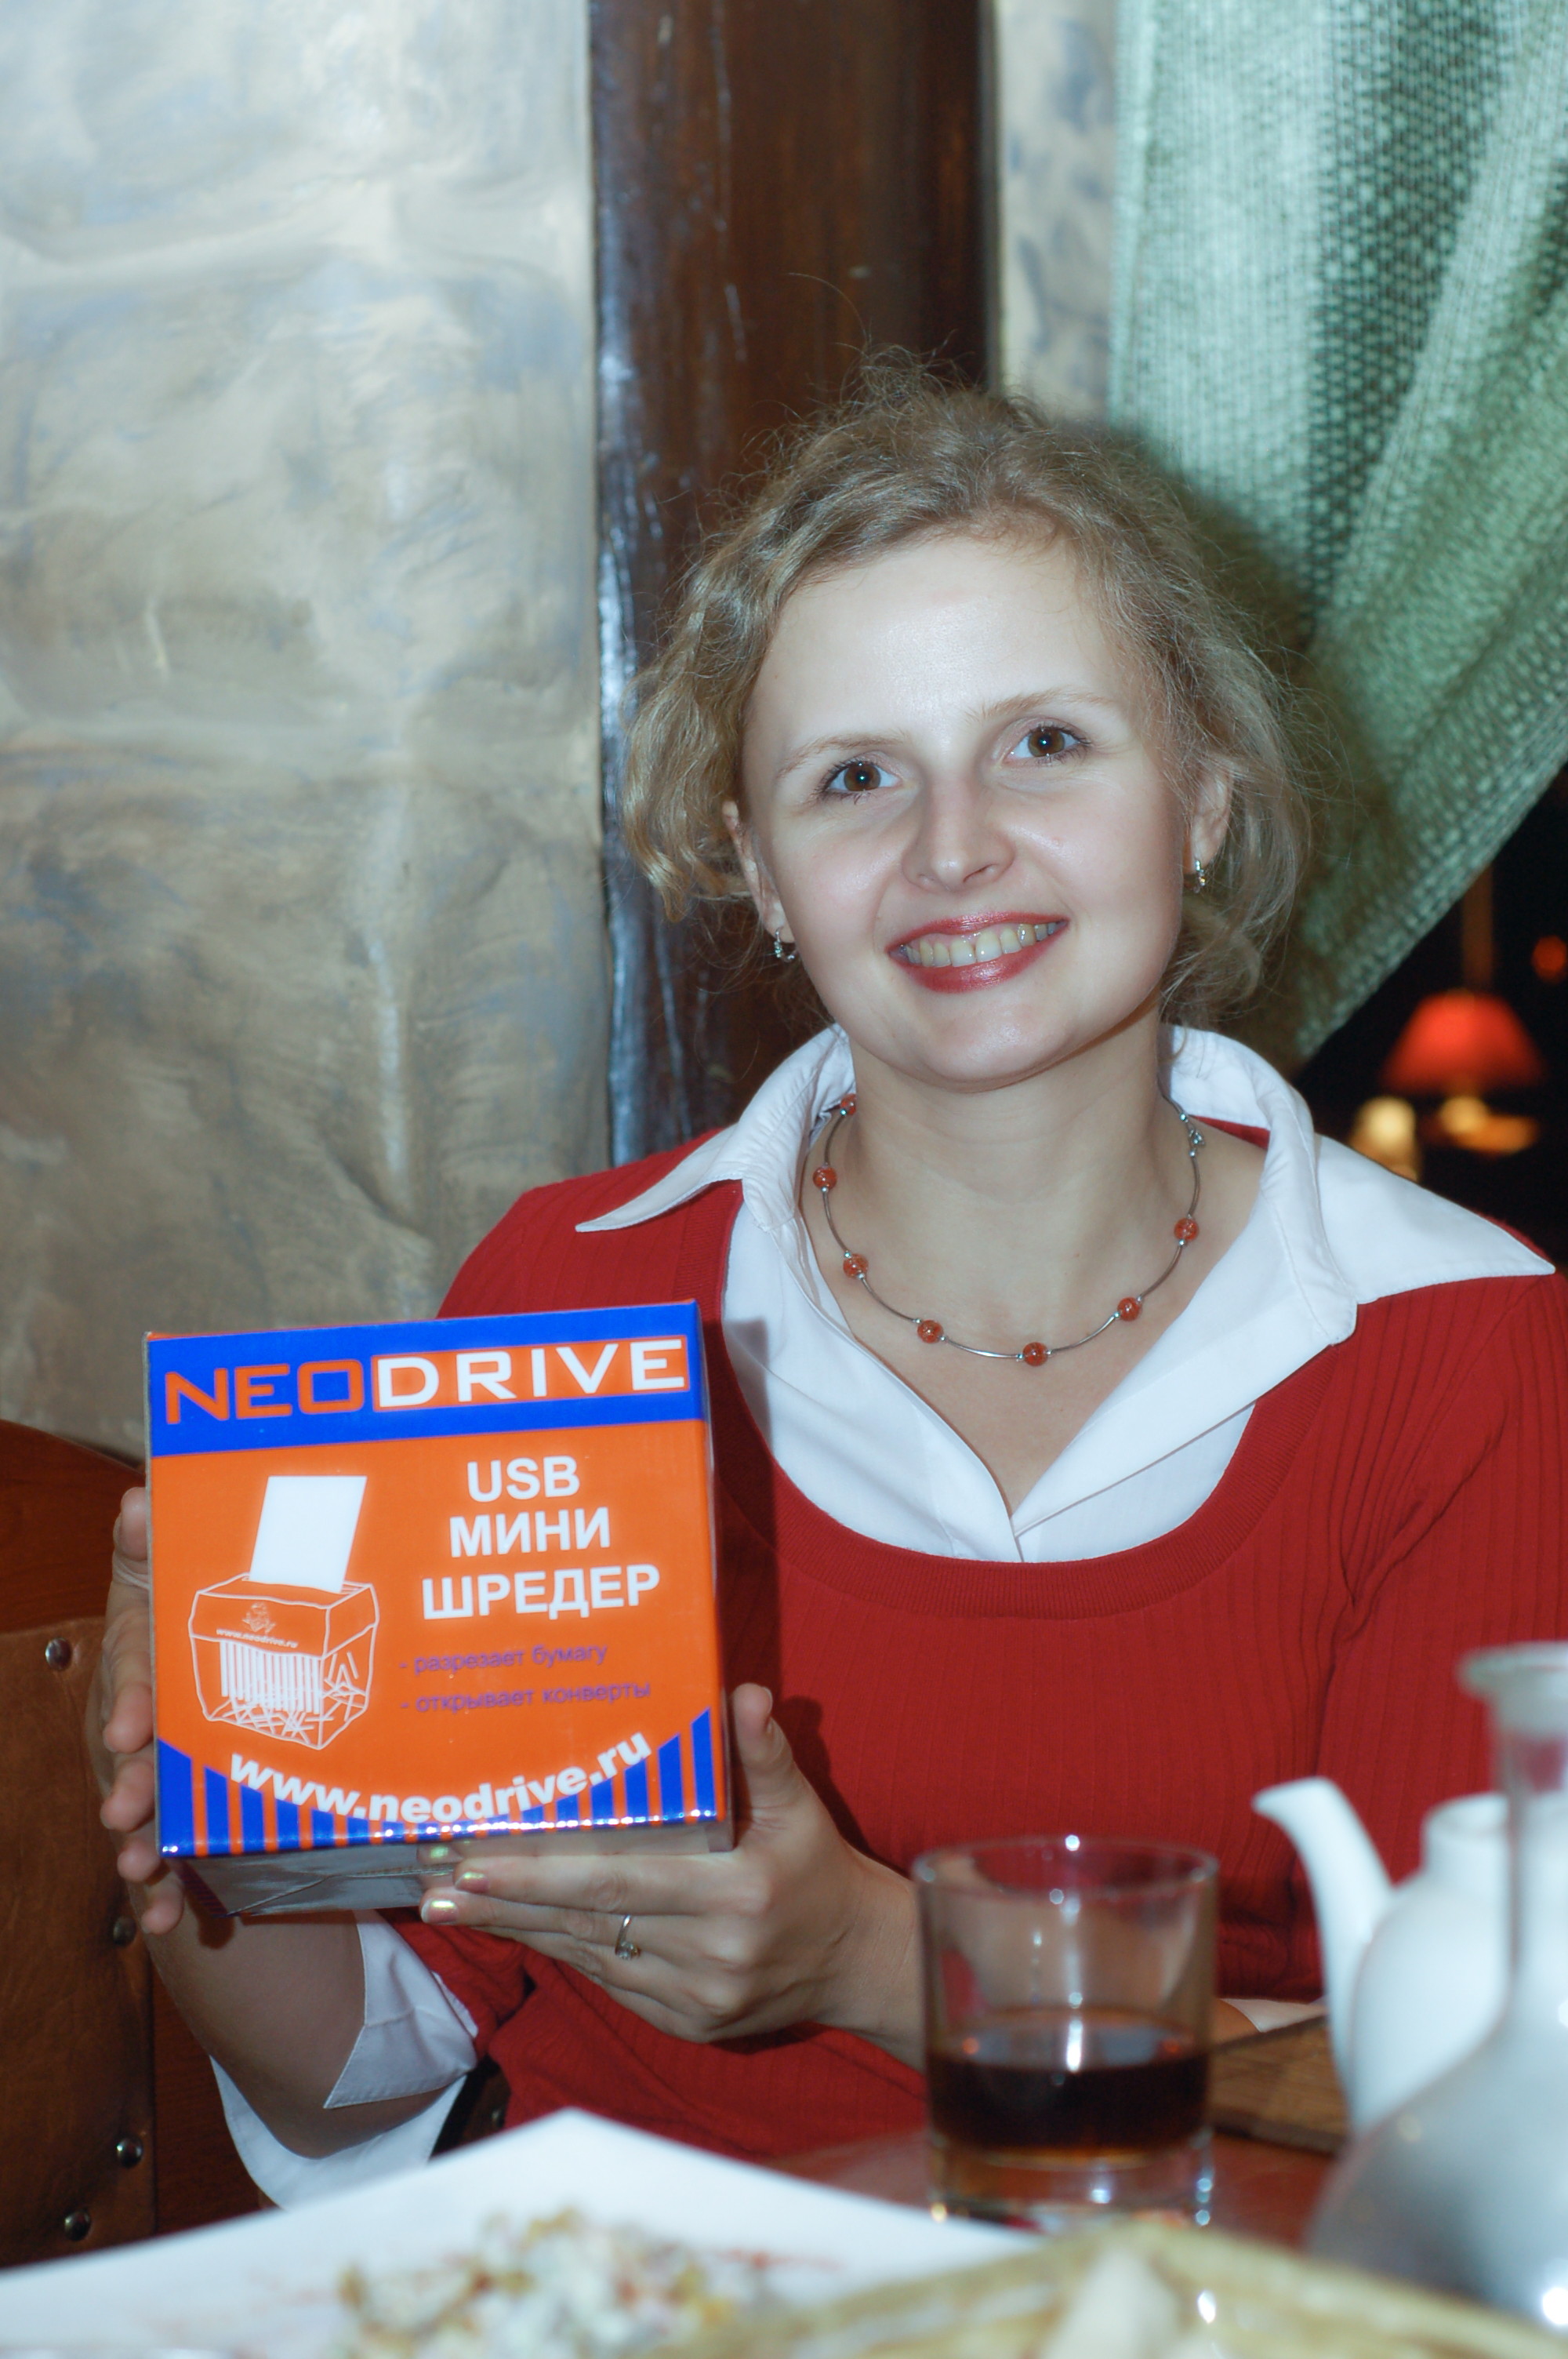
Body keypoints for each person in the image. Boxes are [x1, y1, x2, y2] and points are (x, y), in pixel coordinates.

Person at [92, 368, 1568, 2203]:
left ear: (1200, 794)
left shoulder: (1463, 1344)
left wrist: (879, 1959)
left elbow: (1489, 2108)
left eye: (1045, 743)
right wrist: (195, 1822)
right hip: (641, 2296)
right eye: (854, 778)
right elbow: (361, 2066)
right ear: (760, 867)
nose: (953, 848)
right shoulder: (572, 1294)